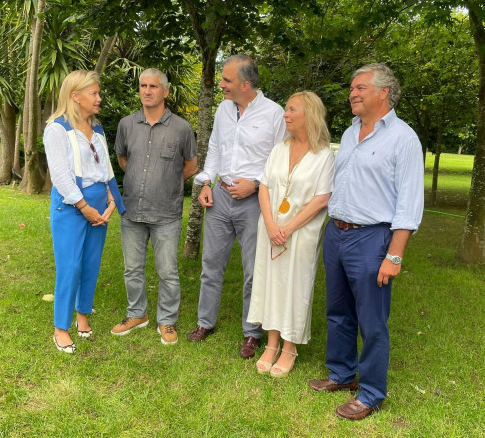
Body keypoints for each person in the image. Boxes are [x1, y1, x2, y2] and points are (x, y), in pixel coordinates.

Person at [309, 63, 424, 420]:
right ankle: (342, 374)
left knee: (372, 321)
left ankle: (372, 393)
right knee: (337, 312)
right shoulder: (349, 132)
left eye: (360, 88)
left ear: (383, 92)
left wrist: (395, 255)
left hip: (373, 239)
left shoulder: (403, 139)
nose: (352, 94)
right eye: (351, 88)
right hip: (337, 233)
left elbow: (409, 203)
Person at [188, 54, 286, 359]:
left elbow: (279, 162)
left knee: (253, 270)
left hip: (256, 202)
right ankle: (205, 322)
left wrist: (255, 185)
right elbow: (215, 149)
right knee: (210, 265)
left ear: (245, 84)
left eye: (227, 80)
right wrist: (206, 182)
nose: (221, 85)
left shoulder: (274, 114)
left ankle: (252, 333)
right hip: (219, 197)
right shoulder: (223, 110)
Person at [247, 91, 334, 377]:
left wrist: (288, 228)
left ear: (309, 114)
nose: (285, 114)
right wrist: (271, 225)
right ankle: (271, 345)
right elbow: (264, 187)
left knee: (296, 287)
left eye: (291, 109)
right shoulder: (279, 149)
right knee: (270, 283)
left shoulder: (324, 155)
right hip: (271, 229)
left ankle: (289, 346)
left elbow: (322, 198)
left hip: (300, 234)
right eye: (286, 109)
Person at [111, 68, 198, 345]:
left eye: (153, 86)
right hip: (132, 210)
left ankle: (167, 320)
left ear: (166, 92)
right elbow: (124, 159)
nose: (147, 91)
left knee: (167, 271)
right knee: (132, 268)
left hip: (166, 214)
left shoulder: (182, 128)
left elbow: (191, 166)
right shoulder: (126, 124)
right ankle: (137, 314)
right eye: (143, 86)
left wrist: (166, 183)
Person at [44, 70, 125, 354]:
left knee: (90, 263)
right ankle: (60, 328)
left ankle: (82, 316)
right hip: (71, 205)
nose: (99, 98)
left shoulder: (98, 129)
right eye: (94, 93)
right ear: (75, 97)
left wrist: (111, 201)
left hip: (98, 201)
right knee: (70, 266)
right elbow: (61, 176)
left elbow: (105, 171)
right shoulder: (57, 129)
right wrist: (84, 207)